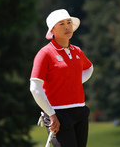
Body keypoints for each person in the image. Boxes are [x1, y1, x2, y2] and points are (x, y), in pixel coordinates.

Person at [30, 9, 94, 147]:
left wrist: (74, 81)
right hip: (58, 114)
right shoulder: (45, 54)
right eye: (61, 23)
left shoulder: (77, 51)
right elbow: (35, 88)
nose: (67, 26)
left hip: (80, 111)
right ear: (52, 29)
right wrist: (51, 114)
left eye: (69, 22)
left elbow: (89, 67)